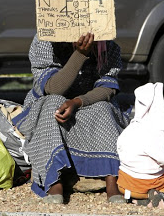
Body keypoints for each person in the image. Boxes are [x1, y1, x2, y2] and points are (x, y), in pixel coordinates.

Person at [12, 32, 130, 204]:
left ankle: (112, 179)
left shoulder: (108, 46)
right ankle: (54, 180)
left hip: (88, 104)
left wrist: (78, 101)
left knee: (104, 108)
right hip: (49, 105)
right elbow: (53, 88)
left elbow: (106, 89)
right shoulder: (45, 40)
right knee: (53, 103)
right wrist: (80, 54)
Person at [116, 82, 164, 209]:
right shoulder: (153, 133)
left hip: (124, 186)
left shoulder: (130, 129)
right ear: (158, 109)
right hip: (147, 185)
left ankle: (140, 200)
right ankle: (162, 197)